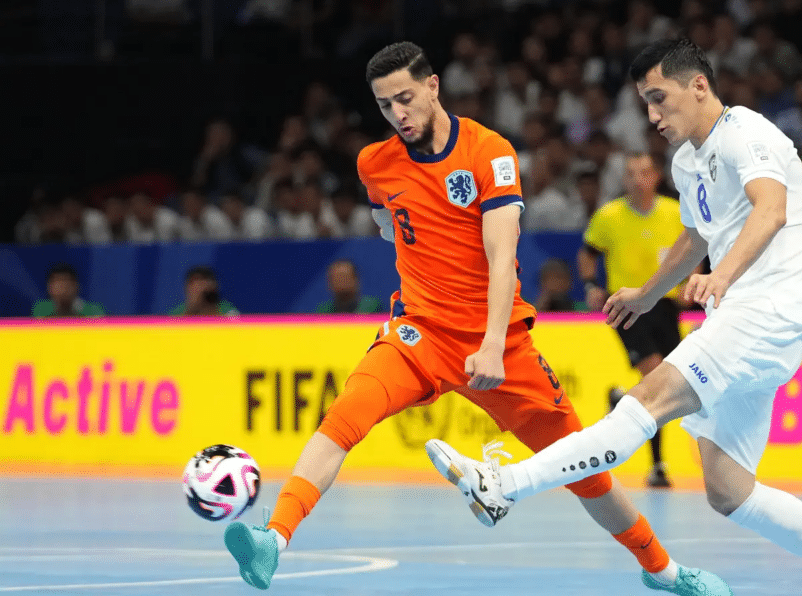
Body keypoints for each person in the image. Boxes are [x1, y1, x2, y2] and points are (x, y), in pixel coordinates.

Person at [222, 41, 729, 596]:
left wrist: (490, 345)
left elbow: (500, 254)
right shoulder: (374, 162)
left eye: (407, 99)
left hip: (500, 346)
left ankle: (662, 570)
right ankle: (275, 538)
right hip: (417, 333)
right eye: (386, 105)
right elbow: (387, 222)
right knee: (344, 419)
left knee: (586, 470)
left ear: (434, 85)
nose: (399, 115)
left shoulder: (489, 152)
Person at [427, 39, 802, 596]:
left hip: (766, 309)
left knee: (644, 401)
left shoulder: (747, 134)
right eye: (645, 104)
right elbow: (695, 234)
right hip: (749, 320)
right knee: (730, 491)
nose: (653, 116)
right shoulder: (686, 159)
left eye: (660, 99)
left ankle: (505, 484)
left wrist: (723, 275)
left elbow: (771, 209)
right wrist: (648, 292)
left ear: (698, 86)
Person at [579, 152, 691, 489]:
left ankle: (623, 399)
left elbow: (695, 248)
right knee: (657, 376)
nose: (636, 179)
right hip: (627, 307)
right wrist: (591, 286)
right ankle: (657, 465)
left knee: (671, 385)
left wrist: (689, 282)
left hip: (666, 306)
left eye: (643, 172)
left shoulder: (674, 212)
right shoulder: (609, 215)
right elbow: (588, 252)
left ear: (656, 176)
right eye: (630, 173)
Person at [32, 263, 105, 318]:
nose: (62, 289)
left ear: (76, 286)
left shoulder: (93, 311)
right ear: (49, 287)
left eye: (66, 283)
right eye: (58, 284)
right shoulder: (40, 309)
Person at [316, 259, 382, 314]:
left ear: (356, 279)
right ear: (329, 283)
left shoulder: (372, 307)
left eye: (345, 277)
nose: (341, 282)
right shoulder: (323, 312)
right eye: (337, 278)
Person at [168, 265, 239, 316]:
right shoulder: (176, 314)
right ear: (187, 287)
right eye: (197, 286)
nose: (200, 290)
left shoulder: (227, 311)